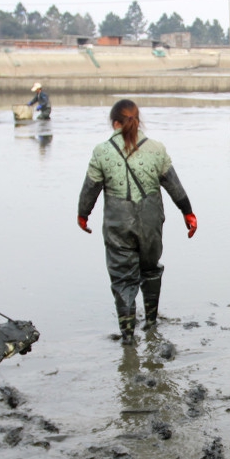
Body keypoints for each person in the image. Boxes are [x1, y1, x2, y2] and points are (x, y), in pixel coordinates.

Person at [76, 99, 196, 343]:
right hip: (151, 221)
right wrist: (188, 213)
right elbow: (174, 186)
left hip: (118, 224)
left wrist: (83, 215)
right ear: (138, 121)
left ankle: (128, 336)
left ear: (115, 123)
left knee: (123, 278)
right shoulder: (156, 149)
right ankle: (151, 324)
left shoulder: (102, 151)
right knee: (151, 270)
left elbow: (90, 189)